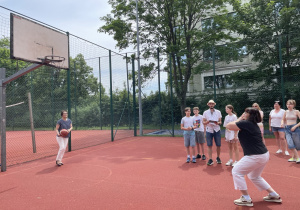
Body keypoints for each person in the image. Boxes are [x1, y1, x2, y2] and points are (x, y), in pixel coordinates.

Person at [226, 108, 282, 207]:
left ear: (250, 115)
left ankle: (245, 198)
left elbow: (228, 126)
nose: (244, 113)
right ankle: (273, 194)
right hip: (263, 154)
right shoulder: (252, 124)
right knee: (254, 176)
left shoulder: (246, 123)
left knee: (236, 171)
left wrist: (240, 118)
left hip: (255, 155)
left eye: (246, 112)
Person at [203, 100, 222, 165]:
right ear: (208, 105)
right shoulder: (205, 112)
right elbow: (203, 122)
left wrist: (217, 123)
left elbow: (220, 122)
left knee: (218, 145)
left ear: (214, 105)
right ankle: (210, 159)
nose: (211, 105)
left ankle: (218, 157)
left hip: (217, 129)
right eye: (210, 104)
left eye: (212, 104)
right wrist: (207, 122)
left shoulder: (218, 112)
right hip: (209, 130)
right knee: (209, 145)